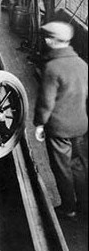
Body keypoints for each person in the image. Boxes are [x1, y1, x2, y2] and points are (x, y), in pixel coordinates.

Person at [34, 21, 88, 219]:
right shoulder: (82, 64)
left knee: (62, 168)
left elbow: (46, 103)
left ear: (50, 41)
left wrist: (39, 123)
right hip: (81, 125)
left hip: (59, 129)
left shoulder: (52, 68)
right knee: (78, 166)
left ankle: (68, 207)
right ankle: (84, 205)